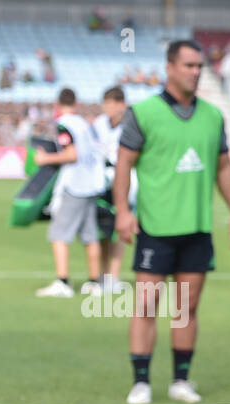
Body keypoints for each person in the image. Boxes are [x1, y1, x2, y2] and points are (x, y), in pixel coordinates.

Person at [113, 39, 230, 404]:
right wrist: (123, 211)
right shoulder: (142, 113)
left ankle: (180, 381)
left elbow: (223, 167)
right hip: (155, 229)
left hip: (197, 230)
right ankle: (140, 382)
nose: (196, 72)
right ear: (170, 67)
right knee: (146, 307)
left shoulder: (213, 116)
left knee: (187, 308)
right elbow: (123, 163)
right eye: (188, 65)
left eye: (199, 66)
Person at [33, 89, 106, 298]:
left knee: (58, 234)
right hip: (92, 183)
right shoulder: (84, 124)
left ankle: (62, 281)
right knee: (90, 235)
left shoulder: (65, 124)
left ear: (57, 103)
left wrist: (45, 159)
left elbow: (72, 154)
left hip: (76, 185)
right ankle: (94, 283)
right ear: (76, 102)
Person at [93, 86, 133, 292]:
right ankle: (102, 274)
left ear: (120, 104)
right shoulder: (100, 124)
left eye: (110, 104)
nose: (106, 108)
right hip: (101, 181)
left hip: (124, 181)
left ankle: (114, 277)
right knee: (102, 230)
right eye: (104, 104)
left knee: (119, 229)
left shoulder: (130, 125)